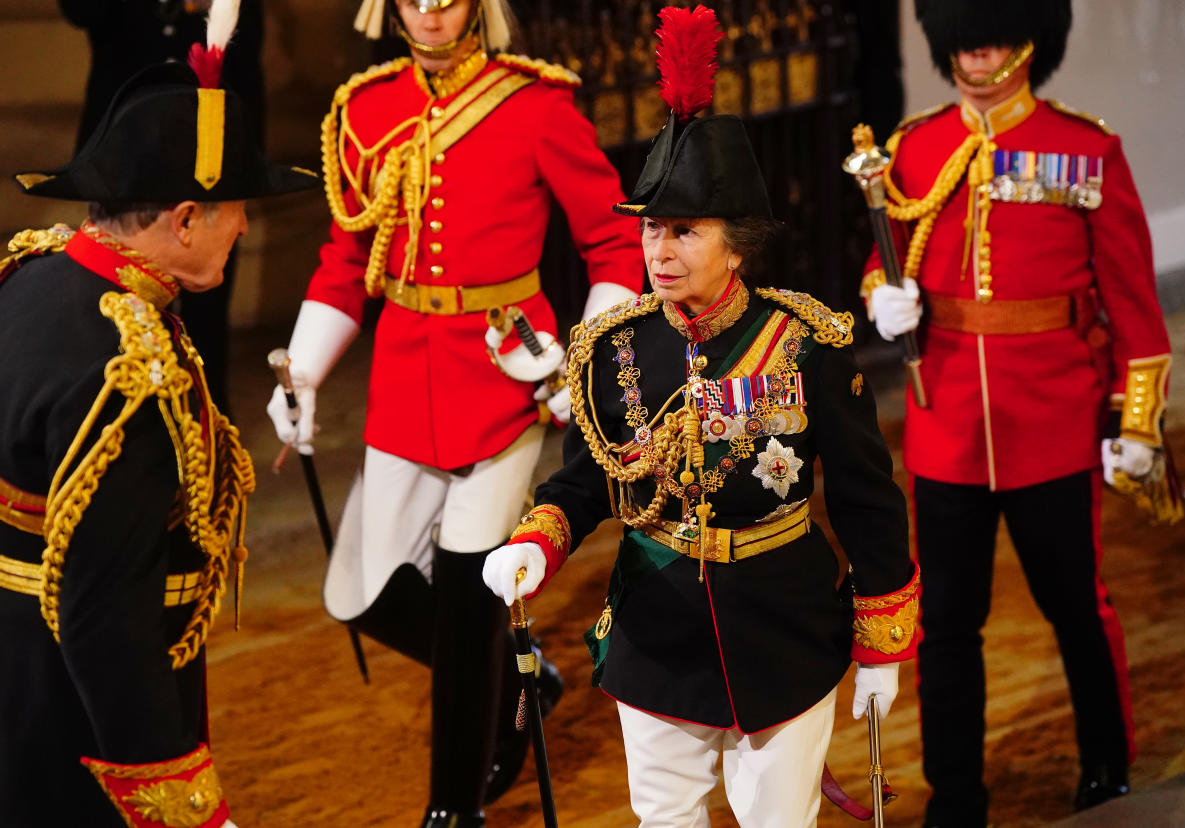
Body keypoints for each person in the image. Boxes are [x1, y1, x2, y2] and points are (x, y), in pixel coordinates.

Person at [480, 7, 919, 827]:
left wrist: (883, 644)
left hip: (785, 630)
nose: (659, 250)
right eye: (652, 229)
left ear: (738, 245)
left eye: (685, 231)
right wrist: (536, 545)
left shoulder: (807, 345)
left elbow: (866, 501)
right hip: (657, 629)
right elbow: (587, 478)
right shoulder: (613, 348)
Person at [264, 1, 643, 824]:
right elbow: (345, 262)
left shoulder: (537, 104)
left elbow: (614, 247)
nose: (432, 9)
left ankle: (453, 811)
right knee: (355, 596)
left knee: (471, 596)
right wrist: (302, 373)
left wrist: (576, 364)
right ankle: (521, 676)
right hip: (405, 375)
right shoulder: (365, 109)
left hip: (507, 374)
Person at [860, 1, 1175, 824]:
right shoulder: (916, 147)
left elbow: (1135, 309)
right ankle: (954, 792)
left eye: (991, 31)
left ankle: (1106, 764)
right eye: (962, 36)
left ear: (1032, 37)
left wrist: (1137, 422)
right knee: (947, 625)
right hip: (949, 425)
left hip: (1056, 422)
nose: (975, 50)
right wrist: (882, 298)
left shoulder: (1085, 148)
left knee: (1077, 608)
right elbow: (882, 258)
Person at [0, 14, 318, 826]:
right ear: (184, 219)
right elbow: (105, 615)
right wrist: (171, 795)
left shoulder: (32, 279)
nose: (245, 226)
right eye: (234, 208)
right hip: (77, 724)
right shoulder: (131, 371)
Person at [59, 0, 268, 414]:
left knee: (209, 293)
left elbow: (249, 46)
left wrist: (248, 154)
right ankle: (122, 412)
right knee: (119, 290)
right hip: (123, 148)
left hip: (209, 146)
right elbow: (80, 10)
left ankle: (205, 419)